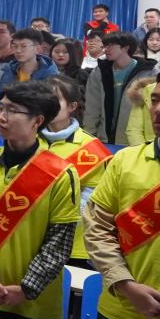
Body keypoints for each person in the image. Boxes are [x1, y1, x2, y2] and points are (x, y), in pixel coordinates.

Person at [0, 80, 79, 319]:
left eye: (12, 110)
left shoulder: (62, 174)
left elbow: (59, 243)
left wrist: (26, 289)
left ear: (37, 121)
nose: (1, 116)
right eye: (0, 108)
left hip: (33, 304)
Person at [83, 70, 160, 319]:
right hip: (121, 314)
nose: (159, 110)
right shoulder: (125, 161)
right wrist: (125, 284)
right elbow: (97, 228)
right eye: (155, 100)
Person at [42, 75, 110, 268]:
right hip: (28, 239)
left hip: (74, 244)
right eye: (44, 99)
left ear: (72, 106)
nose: (48, 105)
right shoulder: (27, 139)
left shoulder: (91, 147)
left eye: (55, 100)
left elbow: (93, 201)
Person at [83, 32, 156, 145]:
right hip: (104, 138)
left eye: (111, 45)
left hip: (135, 141)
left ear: (126, 47)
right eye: (105, 45)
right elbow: (92, 107)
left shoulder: (148, 72)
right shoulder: (100, 71)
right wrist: (88, 137)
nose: (106, 49)